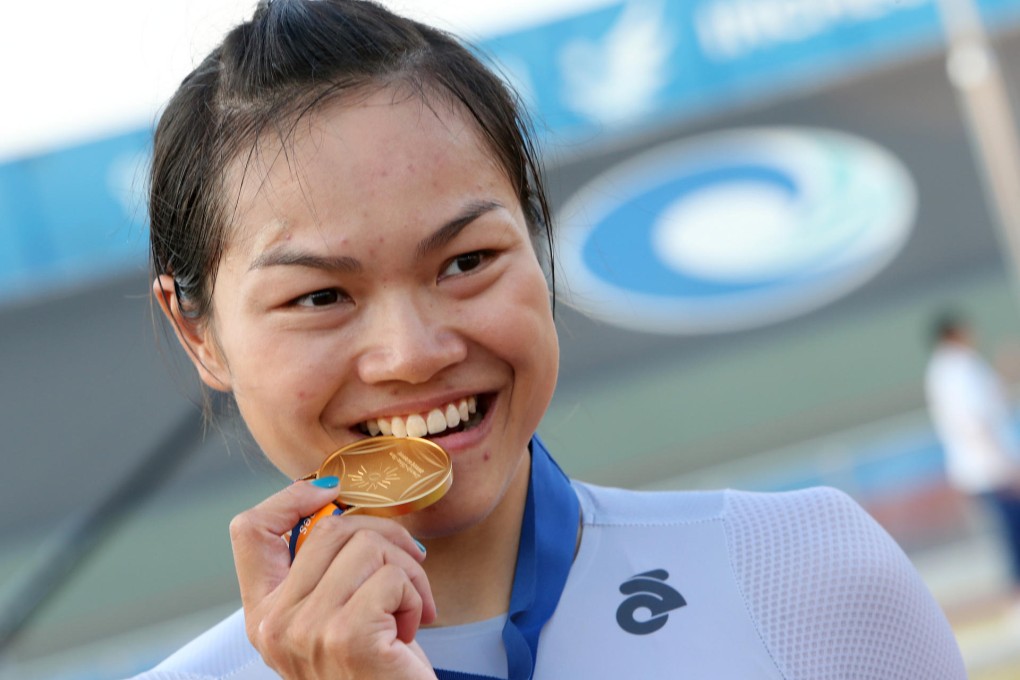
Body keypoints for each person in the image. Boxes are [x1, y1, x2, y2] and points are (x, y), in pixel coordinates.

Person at [131, 1, 966, 677]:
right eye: (320, 295)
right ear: (196, 332)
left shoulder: (807, 575)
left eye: (465, 261)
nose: (414, 352)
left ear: (538, 242)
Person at [925, 311, 1020, 600]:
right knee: (1013, 533)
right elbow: (975, 421)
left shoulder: (942, 370)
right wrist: (1005, 463)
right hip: (990, 466)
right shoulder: (959, 367)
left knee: (1009, 532)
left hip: (979, 466)